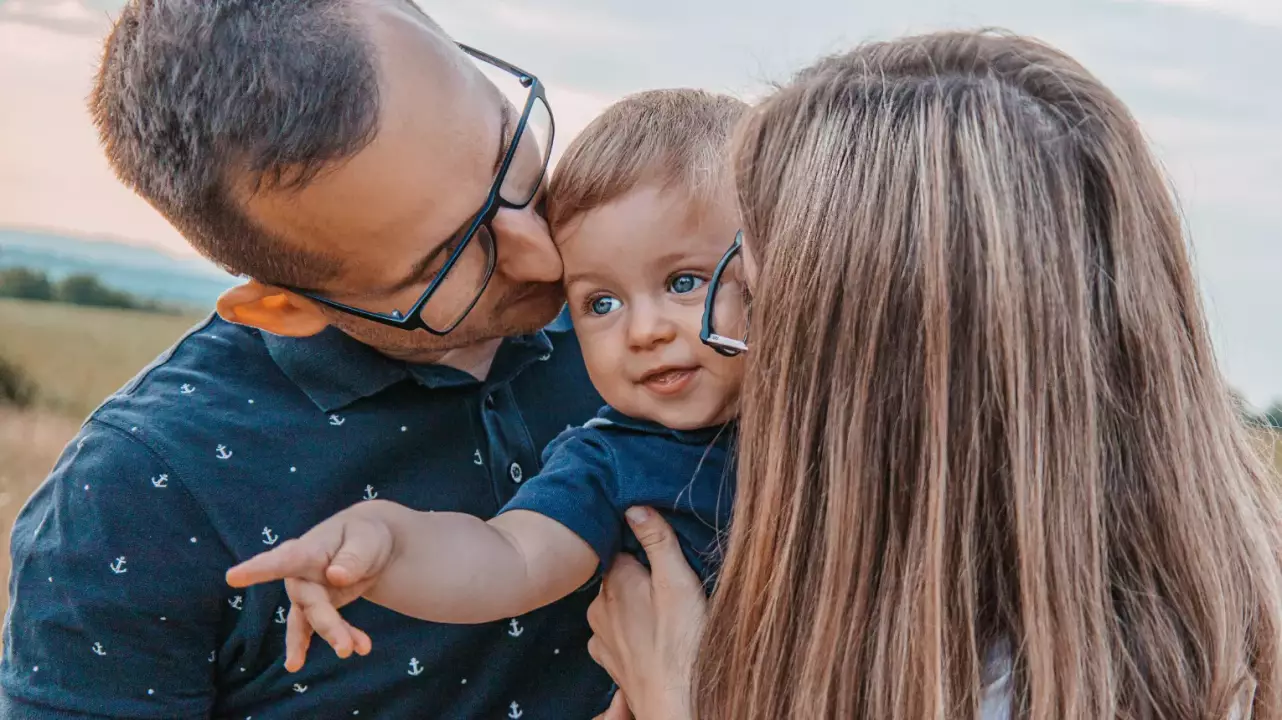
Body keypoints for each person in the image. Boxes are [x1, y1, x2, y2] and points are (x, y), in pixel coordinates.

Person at [585, 30, 1282, 720]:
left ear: (870, 379)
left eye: (757, 306)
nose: (729, 344)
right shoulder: (1187, 636)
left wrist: (672, 698)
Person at [0, 1, 616, 717]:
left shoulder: (666, 290)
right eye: (448, 262)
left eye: (509, 149)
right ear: (285, 310)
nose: (546, 259)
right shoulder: (137, 498)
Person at [224, 89, 746, 673]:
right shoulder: (614, 463)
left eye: (684, 283)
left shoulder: (844, 409)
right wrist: (389, 541)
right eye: (601, 302)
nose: (645, 332)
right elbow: (509, 557)